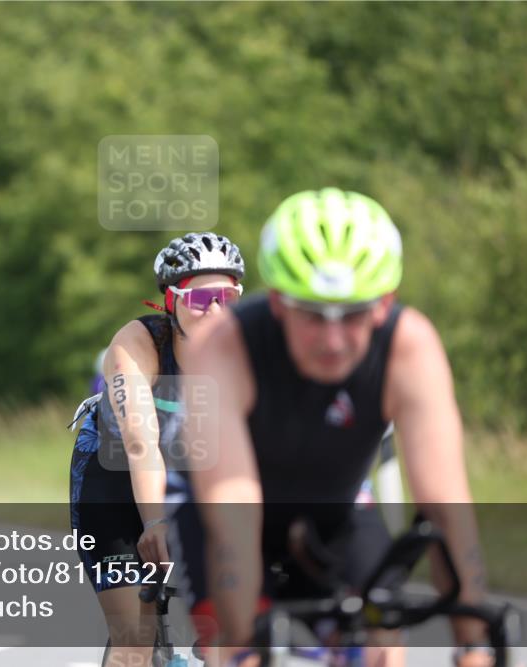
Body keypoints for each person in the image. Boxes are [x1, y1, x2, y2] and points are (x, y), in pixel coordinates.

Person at [172, 189, 495, 667]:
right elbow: (233, 514)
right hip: (223, 516)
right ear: (278, 301)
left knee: (383, 641)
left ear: (385, 304)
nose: (333, 339)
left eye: (353, 315)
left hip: (335, 511)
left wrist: (475, 646)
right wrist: (243, 645)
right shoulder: (222, 347)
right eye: (312, 315)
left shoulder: (411, 346)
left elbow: (445, 506)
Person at [69, 232, 246, 667]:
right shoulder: (139, 343)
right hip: (113, 481)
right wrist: (157, 520)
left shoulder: (246, 348)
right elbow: (139, 441)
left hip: (194, 476)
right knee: (134, 641)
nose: (218, 310)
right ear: (171, 301)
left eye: (229, 296)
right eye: (203, 299)